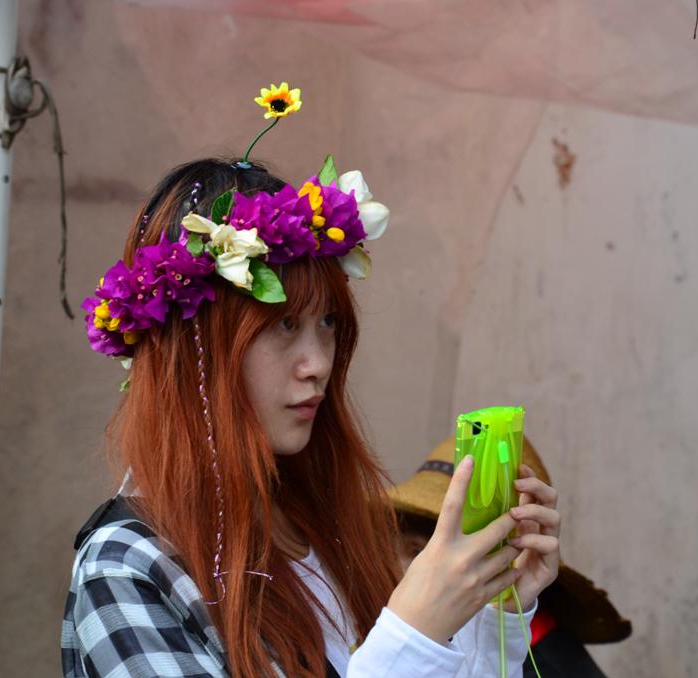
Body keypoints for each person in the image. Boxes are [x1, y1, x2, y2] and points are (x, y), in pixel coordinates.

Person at [60, 82, 563, 677]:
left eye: (327, 323)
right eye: (283, 325)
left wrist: (493, 608)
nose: (318, 362)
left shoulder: (328, 526)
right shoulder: (128, 567)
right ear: (196, 349)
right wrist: (416, 628)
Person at [390, 436, 633, 678]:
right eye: (390, 548)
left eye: (417, 551)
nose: (393, 568)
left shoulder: (549, 667)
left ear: (503, 555)